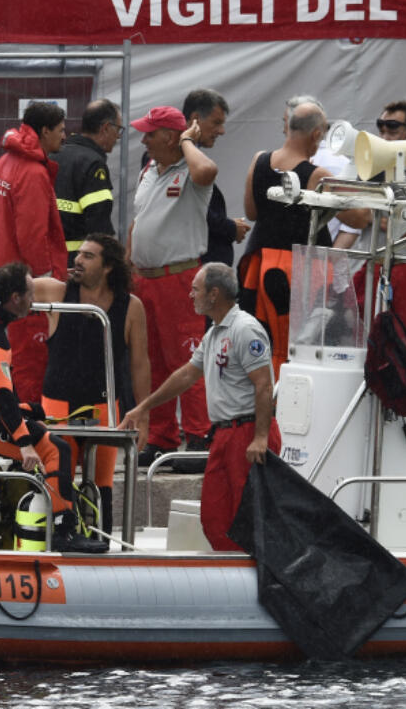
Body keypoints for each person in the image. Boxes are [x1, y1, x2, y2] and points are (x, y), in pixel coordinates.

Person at [0, 233, 150, 536]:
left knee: (101, 487)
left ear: (108, 266)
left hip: (104, 407)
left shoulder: (131, 306)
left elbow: (140, 364)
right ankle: (60, 540)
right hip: (57, 402)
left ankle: (102, 545)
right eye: (78, 253)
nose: (77, 260)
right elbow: (4, 281)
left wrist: (143, 413)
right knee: (58, 475)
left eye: (87, 256)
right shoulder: (57, 292)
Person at [0, 262, 108, 553]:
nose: (36, 301)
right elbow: (2, 396)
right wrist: (26, 443)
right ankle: (63, 533)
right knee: (56, 449)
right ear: (15, 298)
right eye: (31, 294)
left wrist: (27, 410)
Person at [120, 263, 282, 551]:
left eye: (195, 290)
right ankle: (231, 570)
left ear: (214, 294)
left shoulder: (245, 329)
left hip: (248, 431)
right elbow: (185, 375)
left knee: (245, 515)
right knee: (214, 515)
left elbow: (264, 385)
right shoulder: (215, 334)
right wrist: (143, 407)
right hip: (225, 434)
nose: (190, 296)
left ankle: (249, 573)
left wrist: (259, 438)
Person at [126, 105, 216, 468]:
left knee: (185, 358)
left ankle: (198, 436)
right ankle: (161, 437)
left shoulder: (191, 170)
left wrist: (188, 141)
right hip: (146, 279)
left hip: (178, 278)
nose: (144, 139)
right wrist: (130, 258)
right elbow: (138, 219)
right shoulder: (149, 168)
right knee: (155, 363)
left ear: (169, 136)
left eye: (150, 133)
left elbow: (208, 170)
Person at [335, 99, 406, 356]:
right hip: (373, 264)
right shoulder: (366, 163)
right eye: (381, 127)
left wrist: (376, 214)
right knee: (363, 345)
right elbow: (337, 204)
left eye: (392, 128)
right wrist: (376, 215)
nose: (383, 134)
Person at [238, 96, 333, 378]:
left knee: (260, 338)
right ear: (316, 134)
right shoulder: (318, 176)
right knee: (295, 344)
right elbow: (358, 218)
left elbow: (251, 212)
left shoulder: (259, 160)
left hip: (259, 263)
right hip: (298, 269)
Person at [0, 100, 68, 403]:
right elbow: (32, 236)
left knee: (10, 362)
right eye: (61, 130)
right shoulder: (32, 172)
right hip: (24, 285)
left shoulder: (4, 163)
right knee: (30, 366)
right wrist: (44, 285)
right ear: (44, 131)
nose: (65, 137)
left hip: (1, 277)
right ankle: (30, 434)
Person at [181, 89, 251, 266]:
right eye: (216, 123)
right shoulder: (176, 156)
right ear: (195, 118)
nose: (221, 131)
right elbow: (192, 211)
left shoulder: (186, 154)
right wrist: (230, 228)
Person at [54, 99, 122, 268]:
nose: (118, 137)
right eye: (118, 130)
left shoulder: (55, 154)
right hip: (76, 262)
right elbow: (99, 226)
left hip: (48, 258)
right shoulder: (93, 164)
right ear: (105, 128)